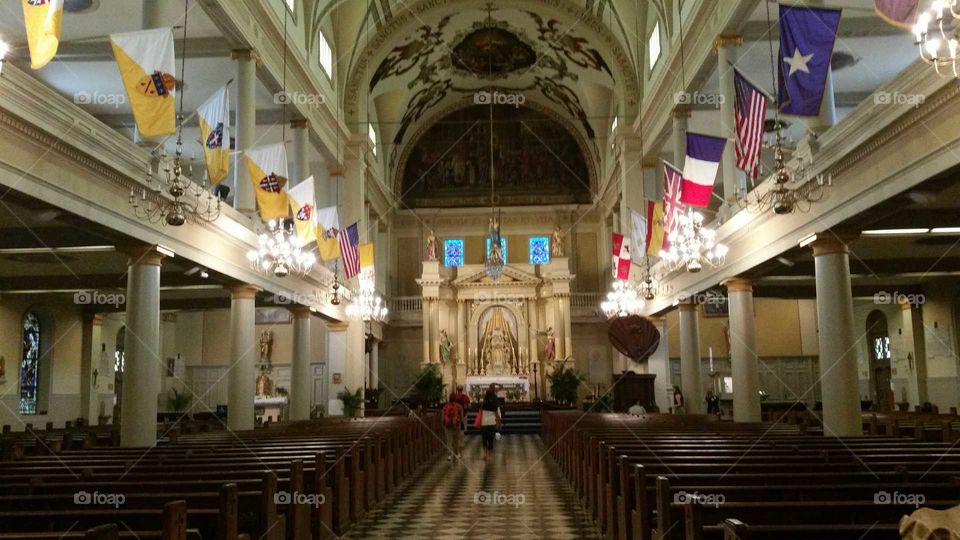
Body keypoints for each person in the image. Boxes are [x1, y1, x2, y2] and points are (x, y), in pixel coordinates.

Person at [478, 384, 502, 462]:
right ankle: (489, 455)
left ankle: (485, 454)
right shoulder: (493, 404)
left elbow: (481, 412)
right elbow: (497, 415)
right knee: (490, 439)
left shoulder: (483, 404)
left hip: (484, 423)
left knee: (484, 439)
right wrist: (499, 423)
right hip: (491, 423)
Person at [441, 394, 464, 462]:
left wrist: (443, 424)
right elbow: (462, 417)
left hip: (448, 426)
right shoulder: (459, 406)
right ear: (455, 399)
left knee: (449, 440)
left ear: (449, 398)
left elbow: (442, 417)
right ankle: (456, 454)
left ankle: (449, 455)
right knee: (456, 440)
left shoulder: (445, 407)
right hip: (456, 425)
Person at [453, 385, 471, 454]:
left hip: (456, 416)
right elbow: (469, 406)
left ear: (457, 390)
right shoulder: (465, 397)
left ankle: (456, 443)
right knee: (462, 430)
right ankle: (461, 444)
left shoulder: (454, 397)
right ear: (462, 389)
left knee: (457, 429)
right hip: (463, 415)